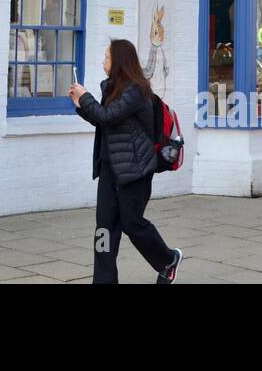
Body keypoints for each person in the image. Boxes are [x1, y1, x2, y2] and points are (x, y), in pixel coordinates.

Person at [69, 39, 182, 285]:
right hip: (110, 167)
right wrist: (81, 106)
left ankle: (167, 260)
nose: (103, 62)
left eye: (107, 57)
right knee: (104, 230)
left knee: (133, 224)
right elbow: (106, 122)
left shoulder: (136, 90)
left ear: (119, 61)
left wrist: (85, 97)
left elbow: (108, 116)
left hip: (135, 170)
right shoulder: (114, 88)